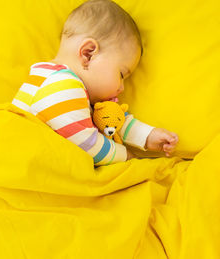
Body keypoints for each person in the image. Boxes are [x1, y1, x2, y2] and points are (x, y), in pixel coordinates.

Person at [12, 0, 178, 166]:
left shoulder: (54, 79)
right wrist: (126, 156)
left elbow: (110, 120)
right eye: (121, 74)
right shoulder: (62, 86)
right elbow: (86, 144)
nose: (122, 87)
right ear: (88, 54)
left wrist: (148, 136)